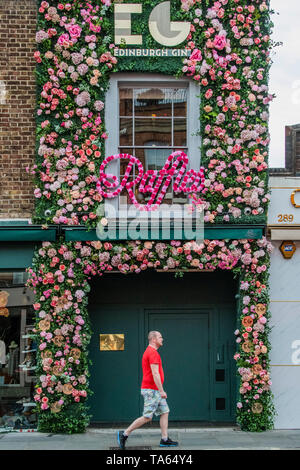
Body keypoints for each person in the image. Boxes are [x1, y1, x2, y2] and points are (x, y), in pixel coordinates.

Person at [117, 331, 178, 449]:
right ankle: (124, 434)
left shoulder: (151, 352)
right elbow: (155, 373)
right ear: (154, 339)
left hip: (154, 389)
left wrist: (160, 390)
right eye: (160, 337)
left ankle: (164, 439)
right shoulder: (152, 353)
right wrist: (161, 391)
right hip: (152, 390)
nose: (162, 339)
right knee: (147, 417)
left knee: (165, 412)